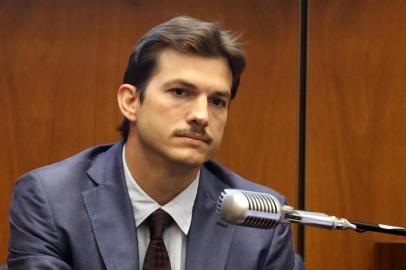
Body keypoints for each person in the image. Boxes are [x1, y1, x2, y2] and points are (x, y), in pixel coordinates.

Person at [8, 16, 303, 270]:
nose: (201, 115)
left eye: (217, 101)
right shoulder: (51, 200)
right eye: (180, 92)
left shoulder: (259, 218)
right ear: (130, 102)